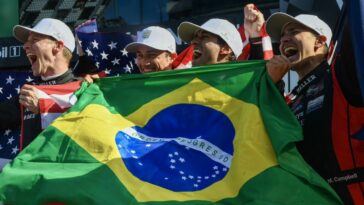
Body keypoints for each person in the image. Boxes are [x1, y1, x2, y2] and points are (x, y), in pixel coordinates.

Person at [265, 12, 364, 205]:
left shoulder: (340, 75)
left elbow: (355, 28)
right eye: (282, 36)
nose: (284, 39)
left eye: (294, 31)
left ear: (319, 42)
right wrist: (272, 86)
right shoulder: (291, 101)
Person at [0, 18, 81, 149]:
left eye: (35, 40)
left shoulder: (84, 89)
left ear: (58, 46)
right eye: (27, 41)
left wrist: (43, 108)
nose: (25, 46)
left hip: (66, 168)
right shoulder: (29, 91)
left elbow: (86, 131)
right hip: (28, 169)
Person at [177, 18, 243, 66]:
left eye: (204, 37)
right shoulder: (181, 84)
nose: (193, 42)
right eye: (195, 37)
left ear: (226, 49)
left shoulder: (246, 84)